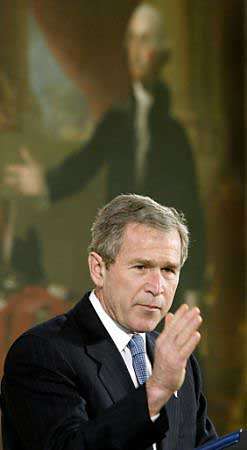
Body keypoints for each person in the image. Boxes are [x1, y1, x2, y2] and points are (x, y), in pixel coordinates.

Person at [4, 3, 205, 305]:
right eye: (133, 39)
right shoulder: (117, 121)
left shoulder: (174, 134)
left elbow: (192, 207)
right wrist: (45, 182)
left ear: (163, 53)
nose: (138, 50)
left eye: (146, 39)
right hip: (124, 254)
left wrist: (194, 282)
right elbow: (83, 164)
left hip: (165, 258)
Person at [1, 194, 216, 450]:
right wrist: (156, 391)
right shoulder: (41, 353)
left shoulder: (179, 362)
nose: (157, 287)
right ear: (98, 269)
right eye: (141, 267)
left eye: (168, 270)